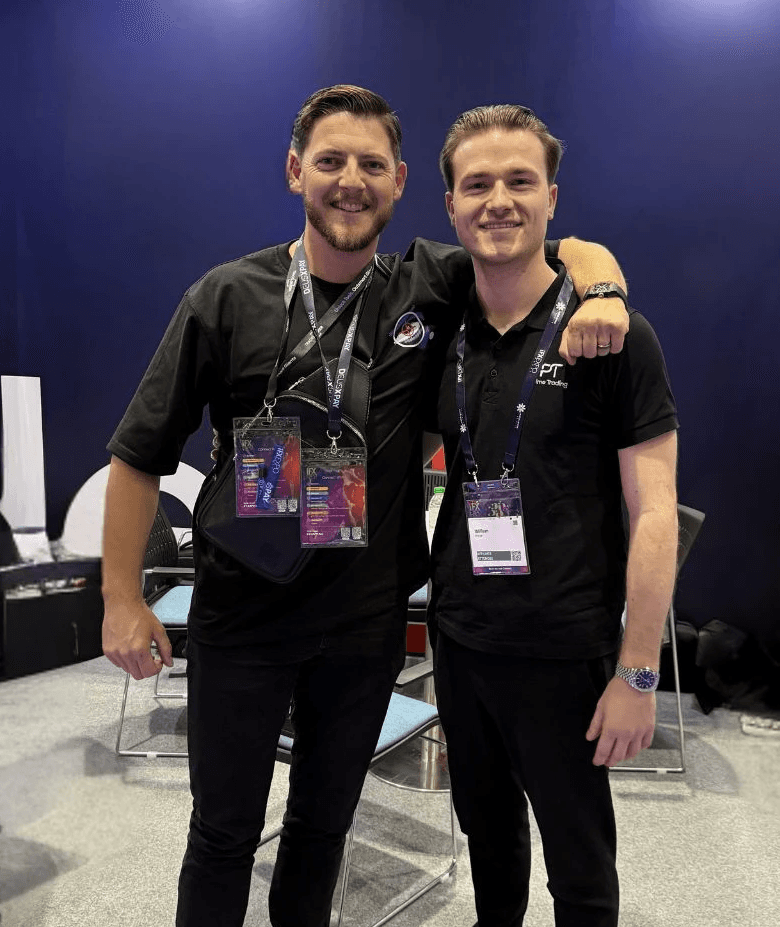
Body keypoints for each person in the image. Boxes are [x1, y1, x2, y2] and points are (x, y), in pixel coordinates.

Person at [101, 85, 631, 927]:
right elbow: (138, 455)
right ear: (295, 171)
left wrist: (602, 282)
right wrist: (121, 599)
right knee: (223, 833)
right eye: (331, 161)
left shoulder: (429, 284)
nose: (351, 181)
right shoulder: (226, 296)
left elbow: (540, 240)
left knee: (322, 828)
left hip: (363, 625)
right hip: (243, 619)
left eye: (372, 165)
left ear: (400, 181)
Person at [427, 103, 679, 927]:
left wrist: (638, 673)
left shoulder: (612, 335)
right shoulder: (440, 327)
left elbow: (656, 512)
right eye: (477, 184)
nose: (498, 200)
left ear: (553, 198)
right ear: (450, 205)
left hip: (566, 651)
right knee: (489, 842)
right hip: (461, 640)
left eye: (520, 181)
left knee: (580, 868)